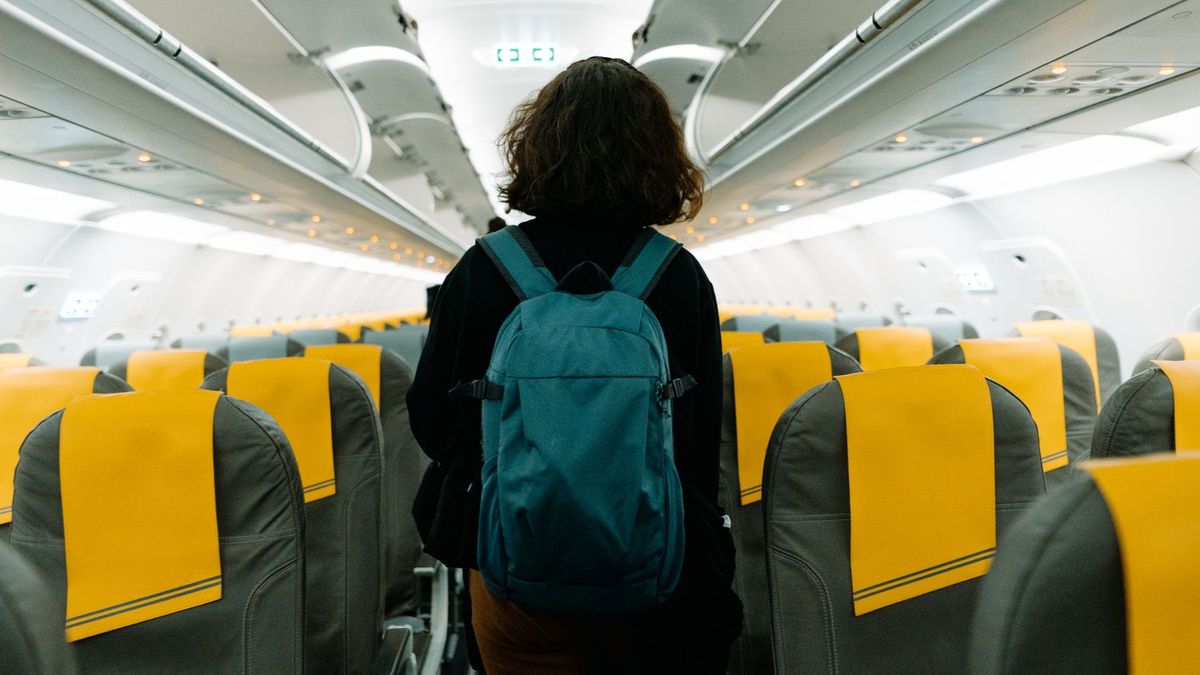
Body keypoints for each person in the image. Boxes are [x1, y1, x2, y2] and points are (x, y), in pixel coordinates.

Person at [407, 56, 741, 674]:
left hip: (513, 557)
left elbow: (432, 418)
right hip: (653, 559)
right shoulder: (678, 277)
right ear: (658, 154)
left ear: (537, 146)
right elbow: (696, 440)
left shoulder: (483, 268)